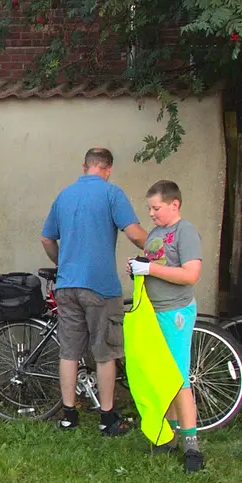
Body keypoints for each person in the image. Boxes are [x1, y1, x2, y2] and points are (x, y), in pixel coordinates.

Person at [40, 148, 148, 435]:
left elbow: (46, 238)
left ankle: (68, 416)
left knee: (70, 352)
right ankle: (107, 418)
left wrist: (62, 262)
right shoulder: (112, 194)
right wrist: (161, 249)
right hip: (100, 286)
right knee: (105, 352)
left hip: (67, 285)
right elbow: (135, 234)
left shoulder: (64, 195)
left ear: (84, 166)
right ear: (108, 168)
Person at [129, 180, 205, 473]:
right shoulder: (157, 234)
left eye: (156, 208)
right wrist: (139, 267)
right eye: (149, 208)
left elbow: (190, 274)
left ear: (175, 204)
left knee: (178, 378)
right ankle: (169, 436)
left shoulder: (185, 231)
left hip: (176, 312)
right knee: (162, 377)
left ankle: (192, 446)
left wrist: (150, 268)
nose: (151, 213)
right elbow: (156, 265)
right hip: (153, 311)